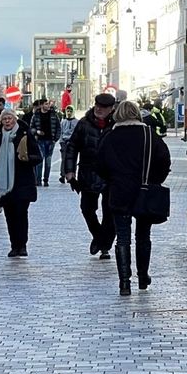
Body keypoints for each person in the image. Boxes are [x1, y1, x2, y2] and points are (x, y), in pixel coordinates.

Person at [96, 100, 172, 296]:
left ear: (118, 114)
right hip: (144, 192)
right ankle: (143, 277)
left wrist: (113, 180)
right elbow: (164, 160)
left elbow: (100, 165)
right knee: (143, 236)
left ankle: (124, 282)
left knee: (123, 238)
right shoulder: (149, 134)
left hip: (119, 193)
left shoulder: (110, 136)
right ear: (137, 114)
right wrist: (154, 180)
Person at [67, 92, 117, 259]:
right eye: (97, 106)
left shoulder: (117, 125)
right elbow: (72, 147)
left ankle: (105, 245)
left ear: (111, 109)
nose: (98, 109)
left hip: (111, 175)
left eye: (103, 107)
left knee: (111, 212)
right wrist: (69, 170)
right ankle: (98, 236)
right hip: (88, 173)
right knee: (87, 209)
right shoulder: (84, 123)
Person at [0, 109, 41, 258]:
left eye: (10, 118)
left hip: (22, 181)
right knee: (9, 216)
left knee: (21, 214)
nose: (7, 121)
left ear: (15, 119)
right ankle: (14, 245)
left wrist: (27, 159)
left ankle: (22, 245)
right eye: (4, 119)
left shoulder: (24, 135)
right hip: (4, 184)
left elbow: (38, 156)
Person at [30, 99, 59, 186]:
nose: (48, 106)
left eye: (48, 104)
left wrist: (55, 139)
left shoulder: (54, 115)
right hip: (40, 140)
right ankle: (38, 180)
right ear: (42, 105)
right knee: (39, 161)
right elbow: (31, 128)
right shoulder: (36, 115)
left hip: (50, 141)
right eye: (46, 104)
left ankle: (46, 179)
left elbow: (58, 127)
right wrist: (37, 131)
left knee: (48, 161)